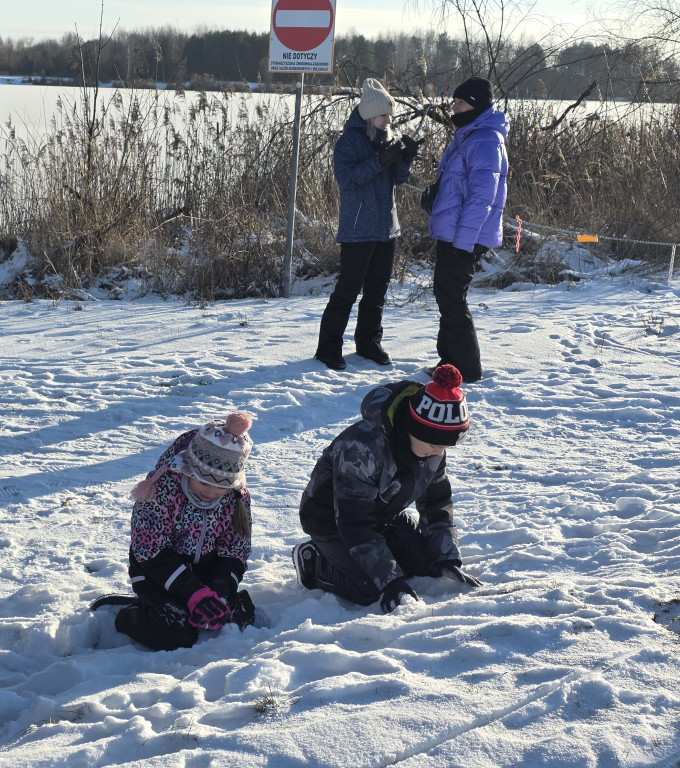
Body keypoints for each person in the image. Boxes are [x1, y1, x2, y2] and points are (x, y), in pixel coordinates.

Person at [292, 364, 481, 614]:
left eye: (445, 447)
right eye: (434, 444)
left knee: (428, 564)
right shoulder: (361, 448)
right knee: (370, 588)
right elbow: (354, 521)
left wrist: (446, 557)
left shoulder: (432, 450)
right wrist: (389, 580)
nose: (439, 452)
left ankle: (388, 552)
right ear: (413, 429)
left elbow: (437, 502)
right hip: (332, 521)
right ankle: (314, 562)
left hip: (384, 514)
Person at [114, 412, 255, 651]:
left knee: (239, 617)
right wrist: (191, 592)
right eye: (203, 482)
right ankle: (129, 616)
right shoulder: (162, 490)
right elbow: (149, 549)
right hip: (157, 574)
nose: (210, 492)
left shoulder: (235, 498)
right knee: (176, 634)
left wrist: (219, 589)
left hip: (205, 573)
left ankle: (209, 600)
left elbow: (234, 549)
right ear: (190, 469)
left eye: (220, 487)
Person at [315, 78, 420, 371]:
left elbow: (398, 179)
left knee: (377, 290)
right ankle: (328, 348)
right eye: (384, 114)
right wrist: (381, 160)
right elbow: (347, 180)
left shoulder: (387, 137)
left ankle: (368, 343)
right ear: (369, 114)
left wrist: (404, 159)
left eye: (390, 114)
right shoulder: (348, 142)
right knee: (347, 290)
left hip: (387, 226)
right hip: (359, 227)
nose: (390, 119)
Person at [426, 76, 509, 383]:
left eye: (459, 102)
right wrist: (434, 198)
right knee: (446, 294)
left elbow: (481, 198)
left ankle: (467, 371)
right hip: (455, 231)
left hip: (466, 235)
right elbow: (458, 186)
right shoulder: (468, 134)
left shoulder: (485, 139)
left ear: (475, 104)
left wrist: (462, 242)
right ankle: (448, 366)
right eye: (453, 102)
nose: (453, 107)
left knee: (452, 297)